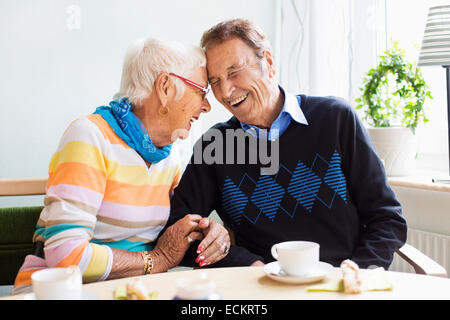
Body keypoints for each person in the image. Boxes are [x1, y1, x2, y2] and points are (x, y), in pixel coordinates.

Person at [168, 19, 407, 270]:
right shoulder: (215, 146)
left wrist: (358, 272)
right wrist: (242, 260)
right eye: (215, 81)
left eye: (233, 72)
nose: (225, 91)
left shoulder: (336, 119)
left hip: (342, 284)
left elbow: (387, 218)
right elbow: (175, 234)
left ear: (268, 63)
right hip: (260, 289)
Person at [13, 37, 230, 294]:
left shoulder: (169, 156)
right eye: (201, 91)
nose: (206, 106)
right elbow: (66, 255)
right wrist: (155, 260)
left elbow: (175, 234)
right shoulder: (90, 136)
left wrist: (210, 232)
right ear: (165, 87)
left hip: (131, 291)